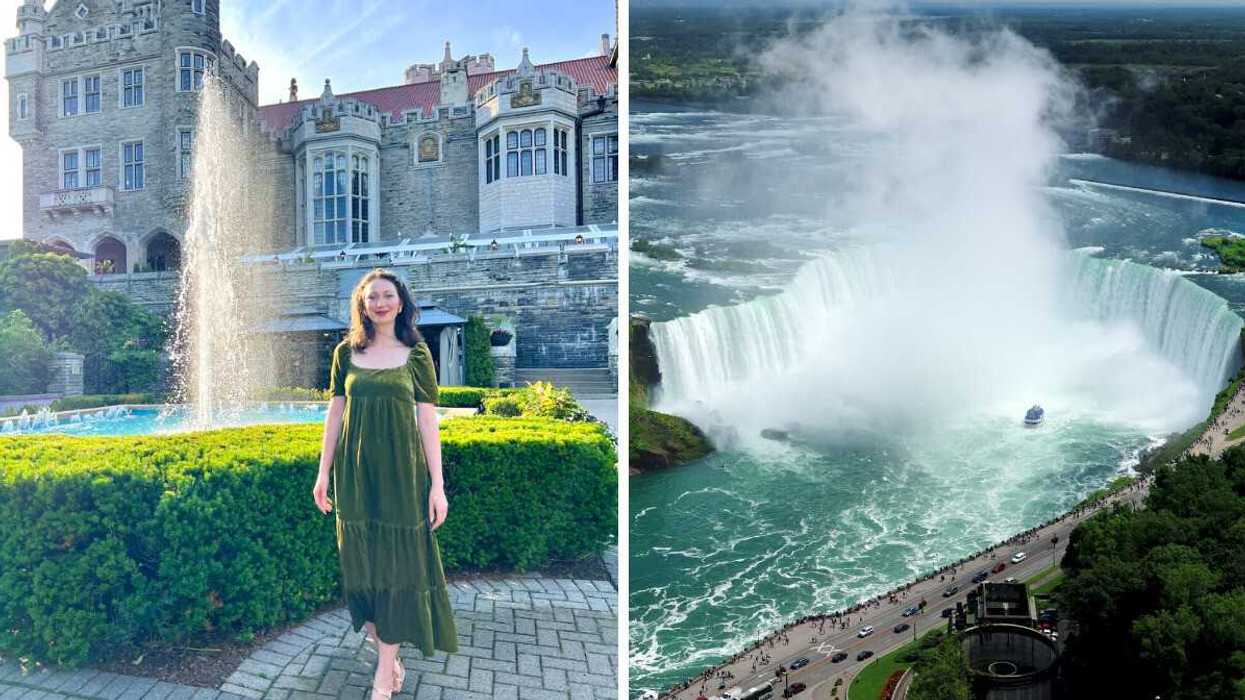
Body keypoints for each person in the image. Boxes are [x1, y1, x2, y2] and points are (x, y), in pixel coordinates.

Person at [313, 268, 458, 700]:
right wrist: (323, 472)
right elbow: (335, 414)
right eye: (372, 296)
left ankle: (382, 673)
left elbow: (428, 420)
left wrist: (438, 484)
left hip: (401, 474)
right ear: (362, 303)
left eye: (387, 295)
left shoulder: (416, 354)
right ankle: (387, 651)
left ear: (401, 302)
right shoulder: (345, 352)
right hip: (355, 474)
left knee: (397, 567)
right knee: (361, 566)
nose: (380, 302)